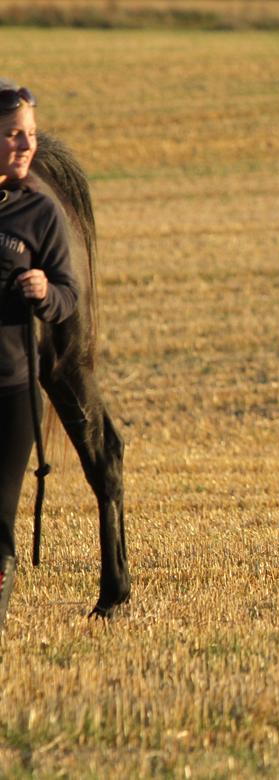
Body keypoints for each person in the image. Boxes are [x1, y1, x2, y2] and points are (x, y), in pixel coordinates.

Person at [0, 80, 79, 631]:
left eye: (29, 134)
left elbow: (70, 295)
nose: (25, 145)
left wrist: (45, 294)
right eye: (12, 134)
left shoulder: (41, 214)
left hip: (10, 389)